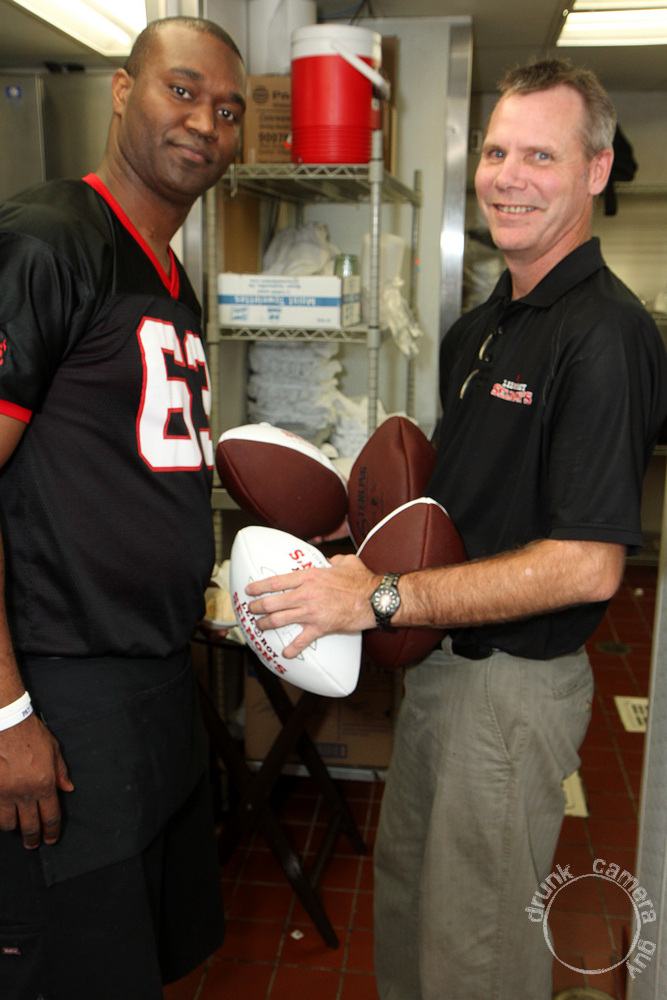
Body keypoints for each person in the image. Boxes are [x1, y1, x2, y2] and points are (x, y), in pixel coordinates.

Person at [246, 60, 667, 999]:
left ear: (595, 170)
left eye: (540, 156)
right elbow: (463, 510)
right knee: (410, 922)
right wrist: (360, 538)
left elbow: (587, 566)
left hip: (510, 695)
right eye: (494, 152)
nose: (507, 176)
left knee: (474, 957)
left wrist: (382, 597)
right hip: (439, 667)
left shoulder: (604, 335)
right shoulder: (480, 327)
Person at [0, 17, 245, 999]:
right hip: (62, 693)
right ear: (120, 89)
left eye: (227, 110)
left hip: (155, 686)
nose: (205, 124)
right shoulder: (51, 240)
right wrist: (6, 711)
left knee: (138, 964)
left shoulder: (172, 276)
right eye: (181, 90)